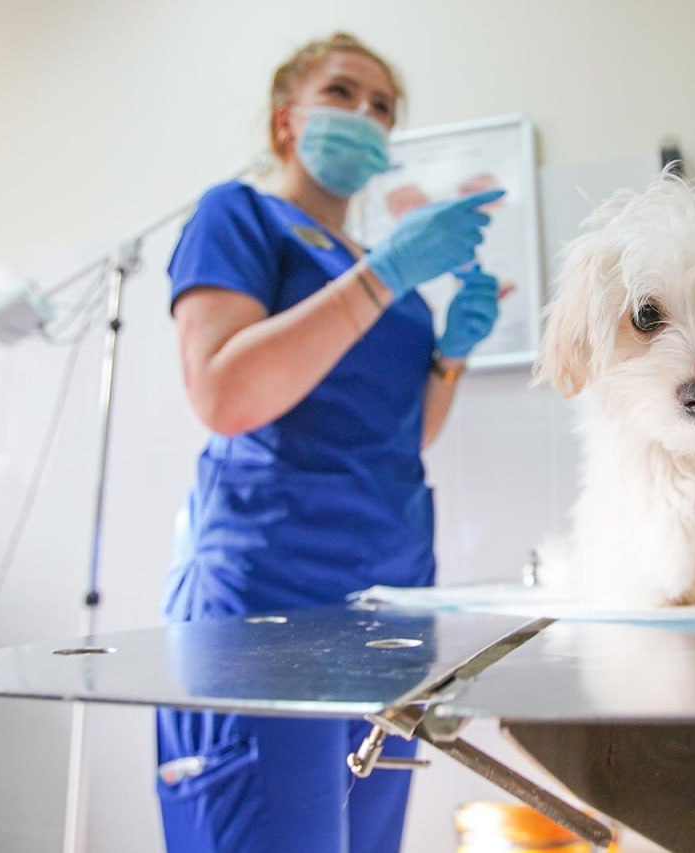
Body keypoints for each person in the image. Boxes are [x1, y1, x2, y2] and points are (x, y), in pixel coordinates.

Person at [155, 32, 504, 853]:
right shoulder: (240, 214)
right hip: (268, 604)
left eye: (382, 106)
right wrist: (383, 277)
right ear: (287, 121)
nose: (367, 114)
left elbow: (402, 435)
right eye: (343, 93)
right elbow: (225, 395)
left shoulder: (378, 266)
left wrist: (449, 354)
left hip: (388, 604)